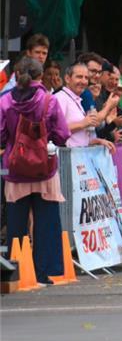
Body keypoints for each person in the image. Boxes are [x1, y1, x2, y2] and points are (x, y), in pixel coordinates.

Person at [0, 57, 70, 285]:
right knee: (47, 220)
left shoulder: (5, 101)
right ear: (40, 76)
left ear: (17, 74)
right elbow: (62, 134)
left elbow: (0, 135)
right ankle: (44, 272)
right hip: (44, 169)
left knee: (16, 223)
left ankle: (16, 272)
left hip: (16, 168)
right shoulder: (49, 100)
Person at [54, 63, 116, 152]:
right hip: (67, 157)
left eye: (86, 78)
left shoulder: (76, 98)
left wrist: (97, 141)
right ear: (67, 78)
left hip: (80, 156)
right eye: (79, 77)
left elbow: (78, 138)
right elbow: (56, 130)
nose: (83, 81)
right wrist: (83, 123)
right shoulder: (60, 97)